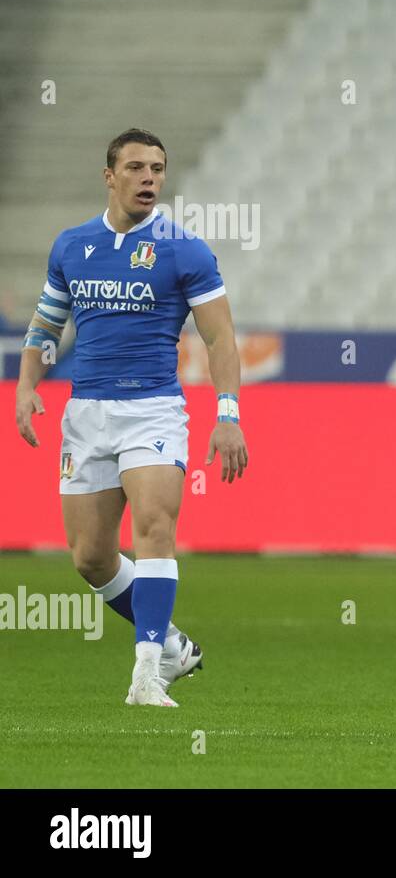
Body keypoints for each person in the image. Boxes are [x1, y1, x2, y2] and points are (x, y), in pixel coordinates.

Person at [14, 128, 249, 707]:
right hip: (86, 413)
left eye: (159, 169)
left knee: (154, 532)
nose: (150, 178)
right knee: (90, 556)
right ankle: (170, 644)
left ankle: (146, 674)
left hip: (153, 410)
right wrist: (25, 387)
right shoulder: (72, 245)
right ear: (110, 176)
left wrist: (227, 413)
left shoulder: (183, 249)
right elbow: (47, 325)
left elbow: (219, 337)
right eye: (138, 167)